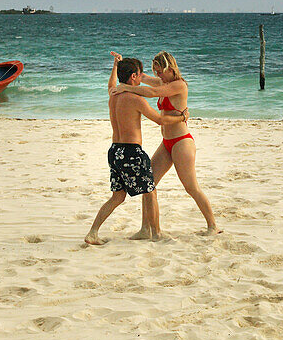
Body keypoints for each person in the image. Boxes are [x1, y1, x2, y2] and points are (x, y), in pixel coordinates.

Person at [109, 51, 219, 234]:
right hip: (166, 143)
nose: (157, 75)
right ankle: (145, 229)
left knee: (191, 187)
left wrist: (126, 88)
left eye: (159, 71)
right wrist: (121, 65)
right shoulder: (163, 81)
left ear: (169, 68)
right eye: (155, 71)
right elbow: (139, 77)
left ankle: (213, 225)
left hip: (181, 142)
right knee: (147, 185)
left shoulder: (178, 85)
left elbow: (152, 93)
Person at [84, 55, 188, 245]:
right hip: (132, 152)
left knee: (118, 196)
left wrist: (114, 66)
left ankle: (93, 232)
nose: (142, 78)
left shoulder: (113, 95)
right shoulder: (135, 99)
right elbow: (160, 120)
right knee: (150, 190)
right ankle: (155, 232)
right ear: (133, 77)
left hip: (114, 151)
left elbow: (111, 84)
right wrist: (181, 118)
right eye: (140, 75)